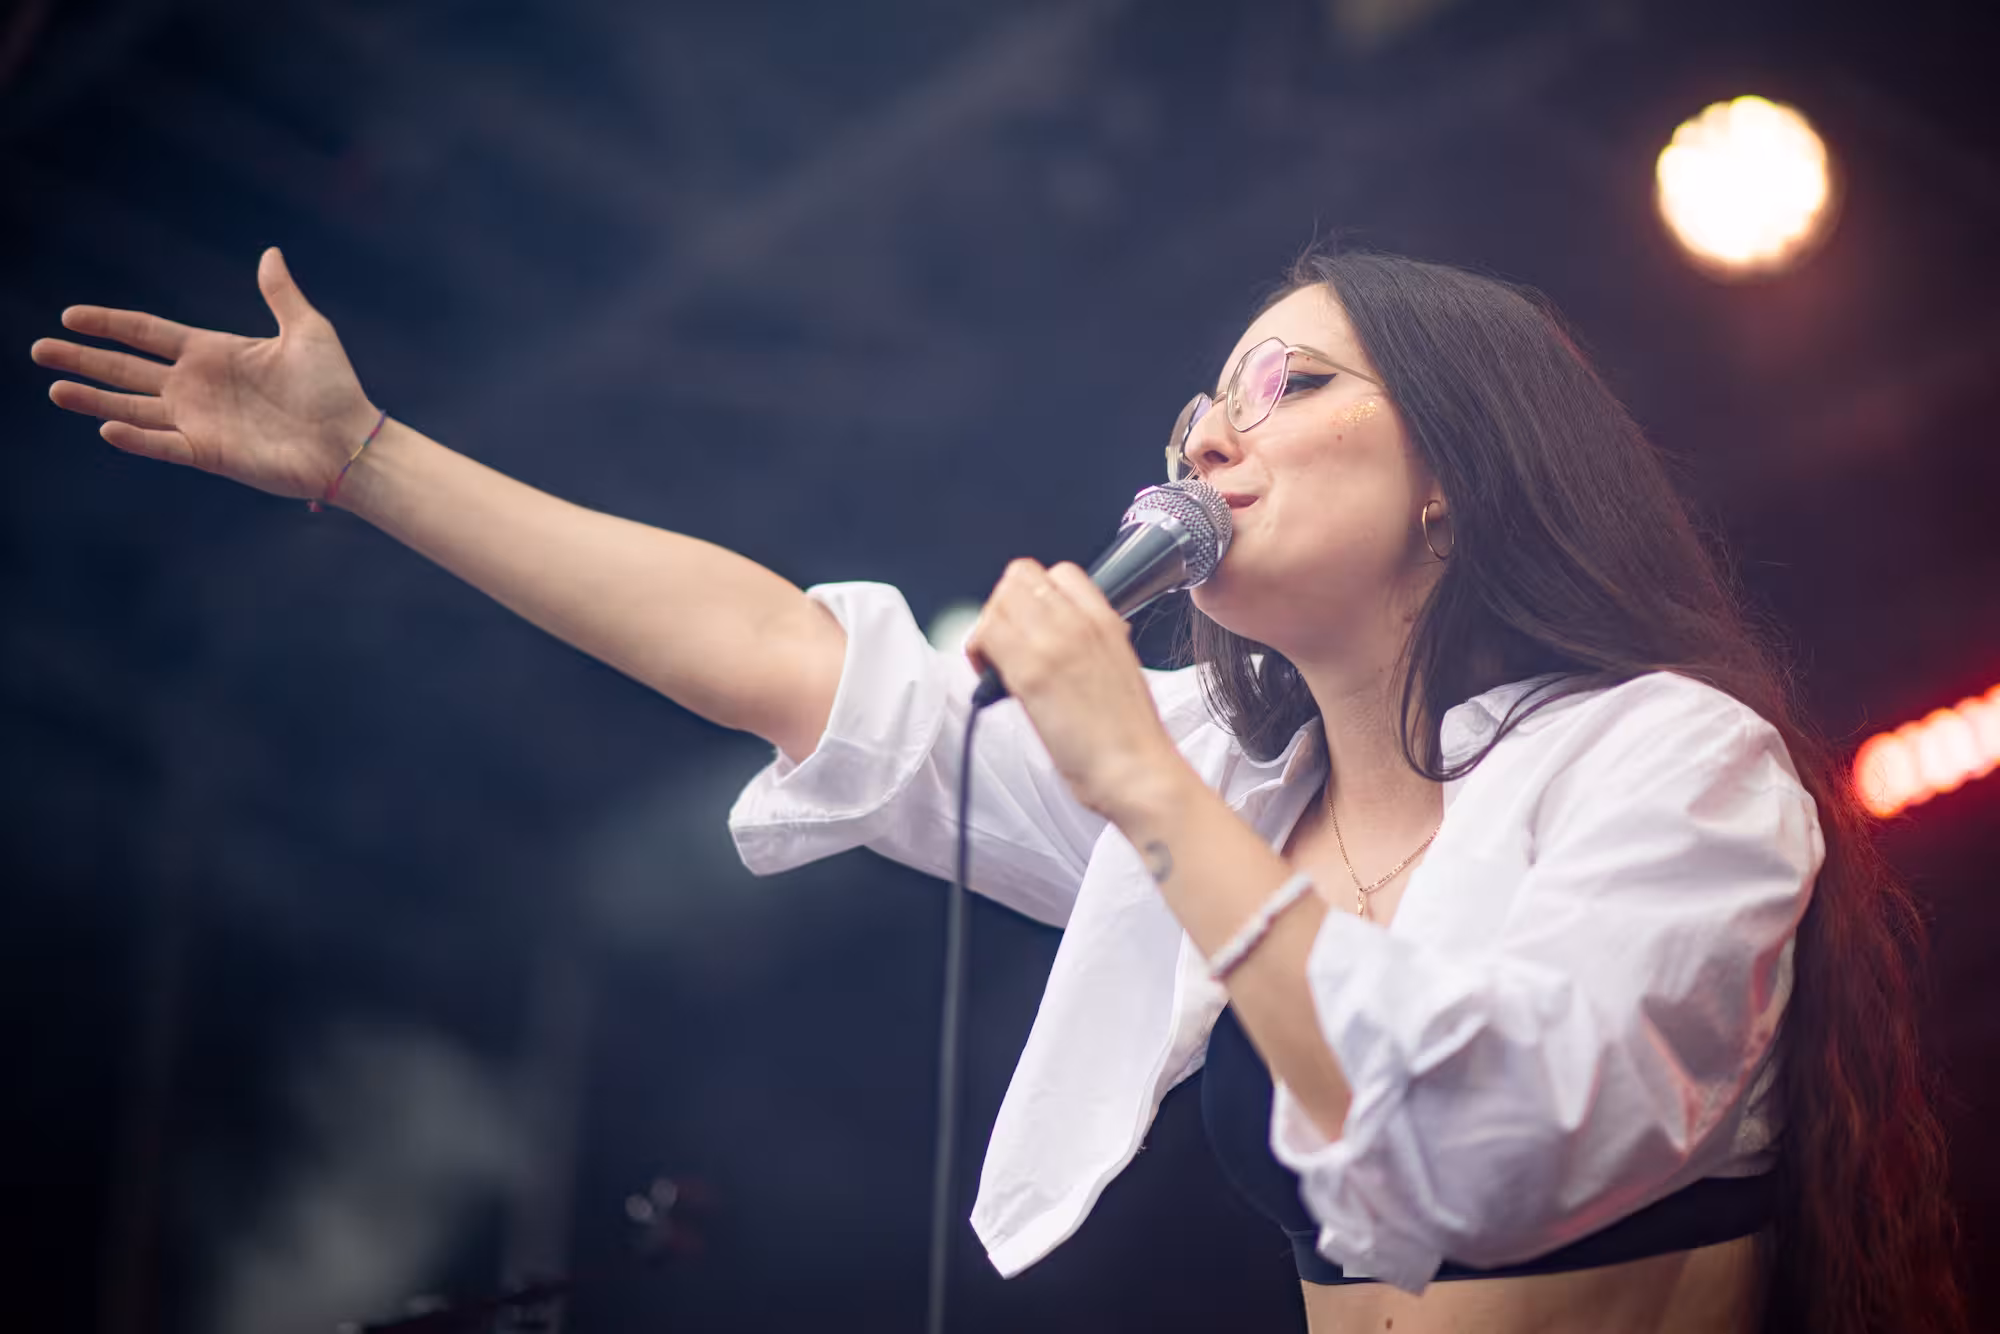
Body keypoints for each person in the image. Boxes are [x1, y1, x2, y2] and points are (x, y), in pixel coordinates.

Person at [30, 246, 1962, 1334]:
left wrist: (1140, 786)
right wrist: (369, 457)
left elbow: (1499, 1136)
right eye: (1204, 402)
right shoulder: (1228, 773)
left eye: (1292, 386)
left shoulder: (1669, 757)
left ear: (1459, 470)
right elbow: (786, 656)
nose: (1213, 435)